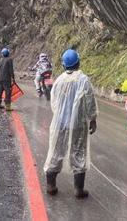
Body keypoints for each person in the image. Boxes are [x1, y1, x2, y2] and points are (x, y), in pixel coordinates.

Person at [44, 49, 97, 199]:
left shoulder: (59, 80)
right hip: (78, 124)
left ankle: (50, 185)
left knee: (55, 151)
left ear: (63, 65)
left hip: (60, 123)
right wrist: (92, 118)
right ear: (78, 62)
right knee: (78, 153)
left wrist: (60, 116)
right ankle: (78, 190)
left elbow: (54, 102)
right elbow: (90, 101)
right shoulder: (83, 79)